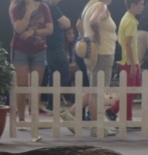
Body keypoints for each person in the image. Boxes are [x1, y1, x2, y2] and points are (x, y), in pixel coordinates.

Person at [61, 0, 117, 137]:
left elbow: (79, 24)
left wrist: (87, 38)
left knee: (93, 90)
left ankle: (70, 114)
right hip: (102, 53)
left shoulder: (89, 6)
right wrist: (97, 38)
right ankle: (96, 126)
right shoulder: (101, 6)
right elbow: (94, 22)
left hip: (92, 54)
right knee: (98, 92)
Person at [9, 0, 53, 129]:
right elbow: (19, 28)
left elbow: (50, 29)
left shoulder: (44, 7)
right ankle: (21, 120)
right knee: (21, 86)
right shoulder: (16, 7)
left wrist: (33, 32)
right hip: (20, 50)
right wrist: (28, 11)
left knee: (35, 86)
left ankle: (34, 119)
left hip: (39, 50)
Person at [105, 0, 144, 124]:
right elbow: (128, 44)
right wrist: (133, 65)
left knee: (135, 89)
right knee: (130, 91)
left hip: (130, 61)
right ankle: (127, 119)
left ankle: (113, 110)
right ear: (133, 5)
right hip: (128, 62)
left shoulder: (129, 19)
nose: (143, 6)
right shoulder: (130, 21)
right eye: (141, 4)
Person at [44, 0, 70, 111]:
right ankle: (56, 101)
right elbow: (67, 23)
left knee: (53, 75)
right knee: (64, 72)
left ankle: (51, 104)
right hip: (56, 47)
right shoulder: (52, 7)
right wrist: (62, 23)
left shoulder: (43, 5)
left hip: (48, 46)